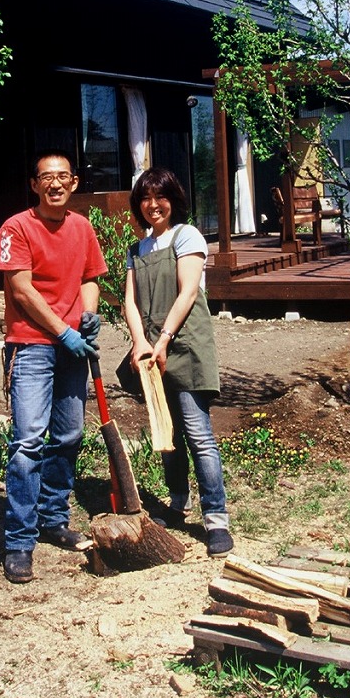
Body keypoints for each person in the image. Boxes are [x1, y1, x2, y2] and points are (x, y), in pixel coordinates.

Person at [0, 150, 107, 583]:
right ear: (35, 184)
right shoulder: (16, 227)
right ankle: (19, 541)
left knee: (70, 434)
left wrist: (89, 317)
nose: (55, 184)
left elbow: (89, 278)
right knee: (27, 443)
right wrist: (62, 330)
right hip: (33, 346)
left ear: (74, 183)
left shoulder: (82, 226)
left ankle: (53, 518)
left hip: (72, 347)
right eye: (47, 177)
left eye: (63, 177)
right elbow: (21, 290)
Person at [123, 167, 233, 557]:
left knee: (198, 434)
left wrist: (164, 339)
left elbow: (187, 293)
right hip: (152, 350)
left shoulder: (187, 236)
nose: (153, 205)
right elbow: (130, 303)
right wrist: (140, 344)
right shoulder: (136, 250)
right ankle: (176, 502)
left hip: (184, 344)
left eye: (161, 197)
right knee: (166, 434)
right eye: (145, 199)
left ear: (173, 200)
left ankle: (216, 518)